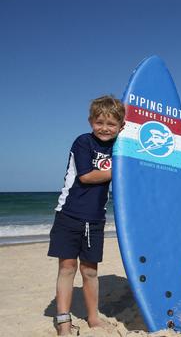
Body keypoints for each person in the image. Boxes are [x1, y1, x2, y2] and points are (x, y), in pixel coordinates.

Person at [47, 95, 125, 335]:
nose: (104, 128)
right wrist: (122, 168)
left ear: (121, 126)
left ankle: (93, 318)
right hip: (68, 214)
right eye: (99, 122)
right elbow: (87, 176)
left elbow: (149, 147)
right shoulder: (83, 142)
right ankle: (63, 322)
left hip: (95, 218)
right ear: (91, 121)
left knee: (90, 271)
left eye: (111, 124)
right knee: (67, 267)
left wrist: (180, 148)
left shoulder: (120, 146)